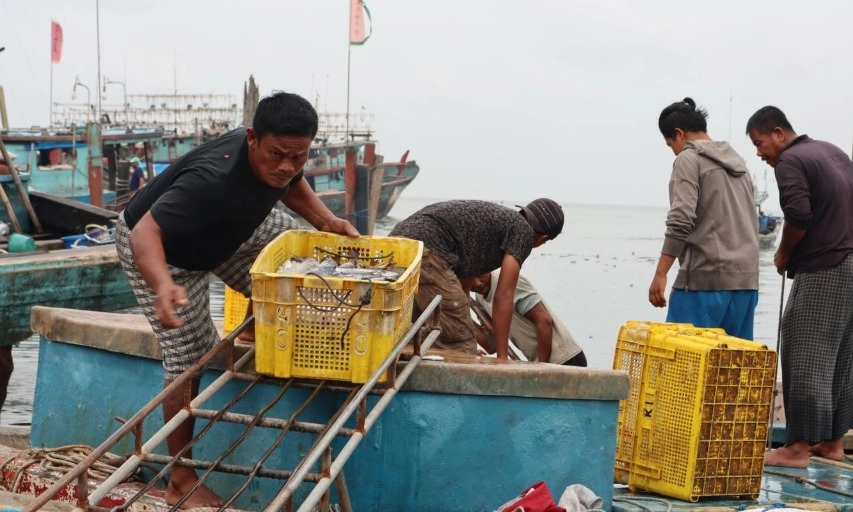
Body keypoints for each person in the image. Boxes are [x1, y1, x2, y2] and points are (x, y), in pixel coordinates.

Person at [115, 91, 359, 509]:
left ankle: (251, 331)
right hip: (166, 256)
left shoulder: (282, 166)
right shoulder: (212, 179)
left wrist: (326, 221)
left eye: (297, 157)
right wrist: (161, 286)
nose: (286, 166)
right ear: (252, 139)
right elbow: (144, 233)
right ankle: (180, 479)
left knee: (298, 252)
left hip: (229, 233)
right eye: (277, 155)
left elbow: (292, 184)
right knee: (191, 356)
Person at [746, 106, 853, 468]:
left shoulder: (791, 160)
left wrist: (783, 252)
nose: (760, 153)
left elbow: (800, 214)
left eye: (760, 143)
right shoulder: (832, 151)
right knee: (840, 353)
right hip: (851, 261)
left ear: (779, 133)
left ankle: (795, 449)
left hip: (825, 264)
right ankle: (833, 443)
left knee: (804, 349)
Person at [389, 198, 564, 360]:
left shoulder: (495, 226)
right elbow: (503, 295)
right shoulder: (522, 231)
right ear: (543, 238)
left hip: (396, 243)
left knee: (417, 334)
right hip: (428, 249)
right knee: (459, 341)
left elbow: (462, 286)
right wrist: (501, 358)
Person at [648, 97, 759, 339]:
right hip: (746, 284)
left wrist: (661, 274)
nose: (673, 151)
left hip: (703, 284)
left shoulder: (688, 159)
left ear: (679, 133)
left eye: (670, 144)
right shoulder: (738, 163)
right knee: (731, 371)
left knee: (680, 367)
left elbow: (681, 220)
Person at [470, 269, 586, 366]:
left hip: (564, 360)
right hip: (542, 363)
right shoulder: (479, 298)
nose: (477, 283)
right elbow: (491, 346)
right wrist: (464, 318)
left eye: (480, 275)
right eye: (470, 280)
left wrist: (541, 368)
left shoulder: (508, 282)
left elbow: (544, 321)